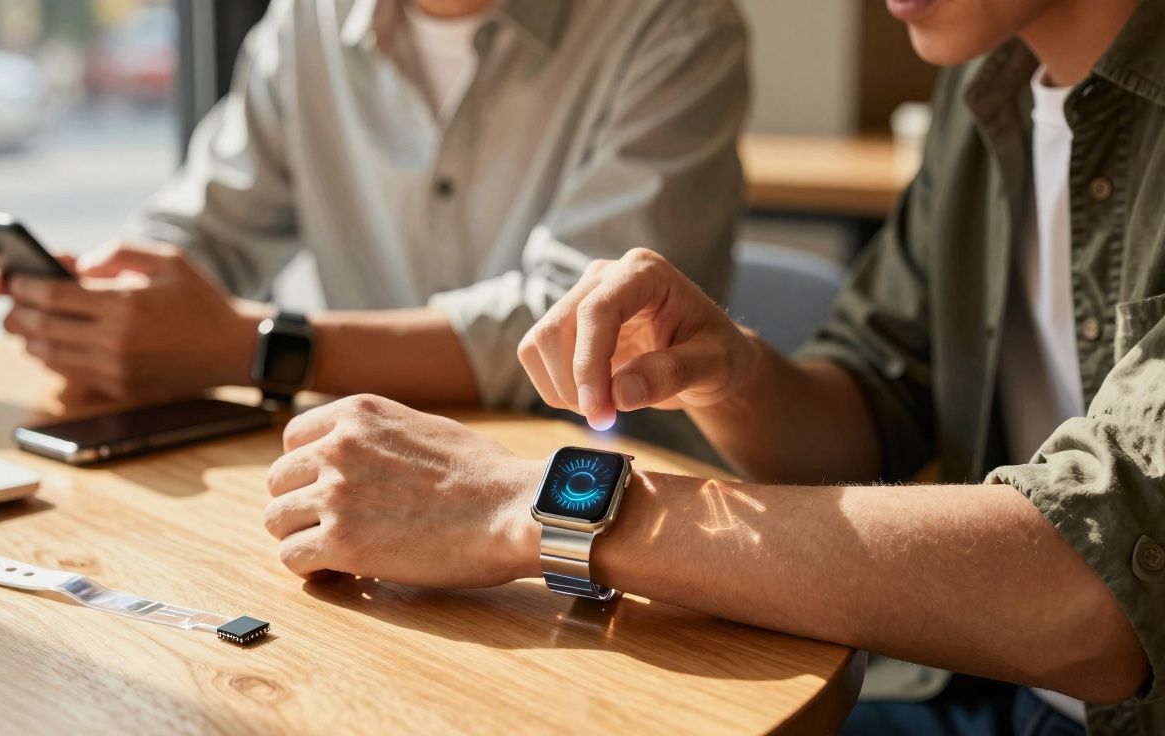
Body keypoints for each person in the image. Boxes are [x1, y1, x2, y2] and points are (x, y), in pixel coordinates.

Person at [260, 0, 1165, 734]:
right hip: (977, 690)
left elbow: (1093, 594)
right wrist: (733, 375)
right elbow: (871, 414)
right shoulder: (984, 84)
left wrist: (531, 504)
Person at [0, 0, 746, 428]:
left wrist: (255, 347)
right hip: (358, 473)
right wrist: (115, 303)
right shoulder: (304, 23)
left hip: (604, 495)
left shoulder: (674, 26)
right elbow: (205, 226)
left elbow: (581, 329)